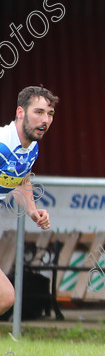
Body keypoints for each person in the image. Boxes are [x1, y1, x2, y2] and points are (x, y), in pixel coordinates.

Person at [0, 86, 56, 315]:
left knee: (5, 297)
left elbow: (21, 179)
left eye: (50, 114)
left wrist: (32, 210)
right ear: (20, 112)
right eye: (39, 112)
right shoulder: (3, 143)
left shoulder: (31, 147)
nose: (45, 119)